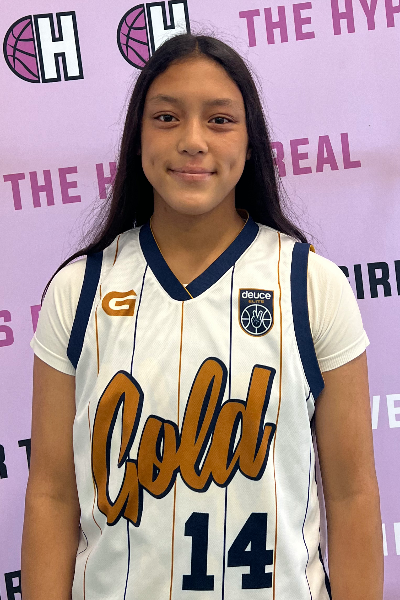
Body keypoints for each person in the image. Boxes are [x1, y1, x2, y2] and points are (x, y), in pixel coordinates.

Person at [21, 33, 383, 600]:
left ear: (250, 141)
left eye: (220, 120)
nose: (192, 141)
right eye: (166, 117)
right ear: (138, 137)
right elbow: (51, 494)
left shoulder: (312, 285)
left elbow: (352, 493)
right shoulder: (80, 290)